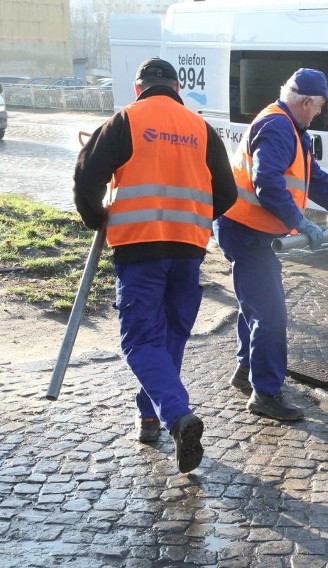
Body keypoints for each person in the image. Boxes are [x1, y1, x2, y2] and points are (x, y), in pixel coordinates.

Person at [72, 57, 237, 474]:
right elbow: (228, 193)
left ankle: (178, 416)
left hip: (139, 248)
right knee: (170, 339)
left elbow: (86, 177)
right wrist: (197, 215)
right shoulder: (201, 129)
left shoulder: (125, 120)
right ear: (178, 88)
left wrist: (98, 218)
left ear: (138, 86)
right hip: (188, 250)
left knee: (141, 341)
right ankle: (149, 418)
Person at [214, 68, 328, 421]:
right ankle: (265, 394)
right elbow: (267, 182)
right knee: (271, 316)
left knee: (258, 305)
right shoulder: (278, 127)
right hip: (245, 232)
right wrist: (300, 222)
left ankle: (247, 371)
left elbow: (317, 181)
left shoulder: (292, 128)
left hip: (247, 229)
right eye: (320, 105)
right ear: (306, 101)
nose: (321, 112)